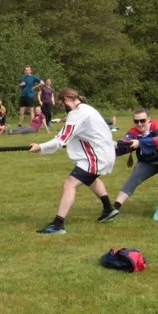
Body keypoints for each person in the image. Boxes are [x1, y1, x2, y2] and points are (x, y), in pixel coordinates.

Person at [30, 90, 116, 234]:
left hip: (97, 156)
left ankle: (58, 225)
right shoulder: (88, 109)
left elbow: (61, 139)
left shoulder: (76, 113)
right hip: (103, 153)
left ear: (67, 99)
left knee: (70, 184)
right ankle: (108, 209)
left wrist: (40, 147)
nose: (63, 106)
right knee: (91, 178)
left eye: (62, 103)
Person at [109, 109, 158, 220]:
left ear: (149, 119)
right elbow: (126, 143)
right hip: (148, 162)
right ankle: (114, 208)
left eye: (142, 120)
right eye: (136, 121)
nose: (139, 124)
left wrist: (140, 142)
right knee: (134, 176)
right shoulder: (133, 132)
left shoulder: (156, 125)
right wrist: (114, 145)